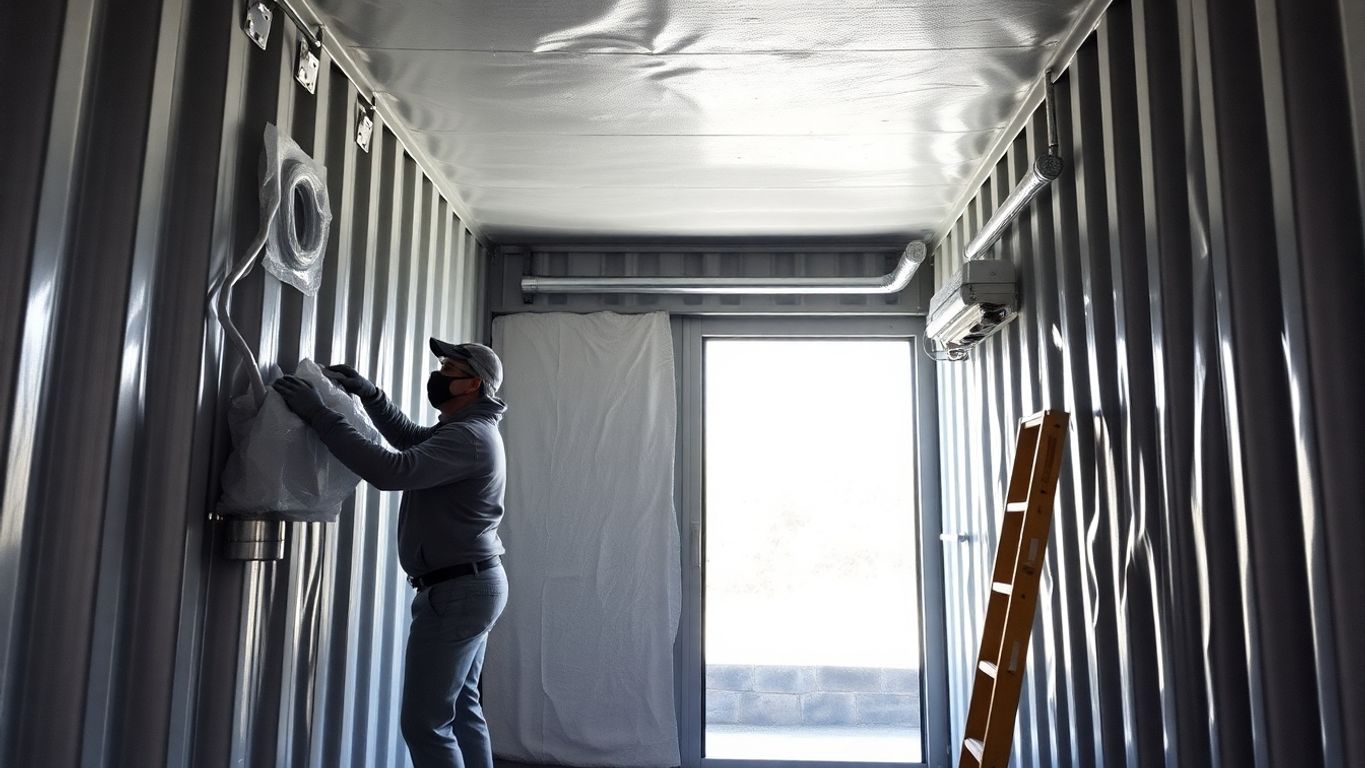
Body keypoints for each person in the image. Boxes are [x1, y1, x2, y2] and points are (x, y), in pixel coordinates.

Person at [272, 337, 509, 768]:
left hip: (459, 591)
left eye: (449, 372)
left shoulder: (470, 438)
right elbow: (410, 440)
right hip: (470, 584)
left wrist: (319, 415)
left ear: (472, 384)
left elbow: (391, 470)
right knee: (461, 711)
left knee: (426, 724)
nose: (438, 376)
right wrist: (372, 396)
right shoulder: (463, 430)